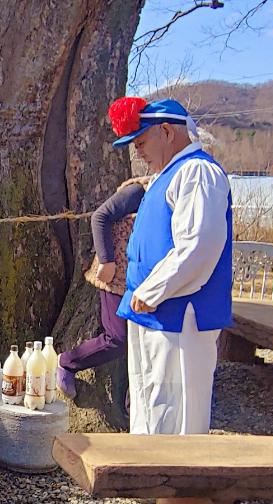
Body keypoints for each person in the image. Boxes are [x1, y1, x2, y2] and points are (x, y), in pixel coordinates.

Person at [108, 97, 232, 435]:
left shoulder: (197, 173)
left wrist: (153, 289)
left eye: (142, 142)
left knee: (176, 408)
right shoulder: (169, 174)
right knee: (151, 399)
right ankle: (150, 478)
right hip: (155, 310)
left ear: (166, 131)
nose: (138, 153)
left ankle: (176, 483)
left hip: (180, 313)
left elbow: (199, 244)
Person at [55, 178, 147, 399]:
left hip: (142, 280)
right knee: (117, 337)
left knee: (143, 339)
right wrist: (106, 261)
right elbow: (100, 216)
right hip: (116, 277)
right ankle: (68, 362)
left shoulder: (167, 195)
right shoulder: (137, 191)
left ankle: (134, 393)